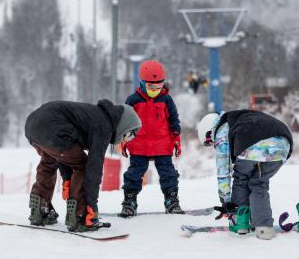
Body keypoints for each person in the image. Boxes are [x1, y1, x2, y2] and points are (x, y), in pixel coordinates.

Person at [25, 99, 141, 232]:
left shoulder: (96, 115)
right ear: (125, 125)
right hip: (53, 129)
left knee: (49, 162)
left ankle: (40, 209)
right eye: (130, 135)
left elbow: (63, 154)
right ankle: (80, 216)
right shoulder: (103, 125)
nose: (126, 140)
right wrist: (91, 205)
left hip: (33, 125)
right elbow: (93, 169)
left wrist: (67, 178)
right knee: (84, 166)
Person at [197, 109, 293, 239]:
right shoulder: (239, 118)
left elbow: (223, 171)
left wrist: (226, 201)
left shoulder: (221, 130)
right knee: (259, 183)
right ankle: (264, 228)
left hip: (251, 147)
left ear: (209, 131)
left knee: (241, 179)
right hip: (282, 146)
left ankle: (240, 221)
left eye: (210, 141)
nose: (213, 144)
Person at [119, 60, 184, 217]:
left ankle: (172, 201)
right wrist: (123, 139)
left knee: (168, 173)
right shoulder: (133, 100)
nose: (155, 90)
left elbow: (174, 119)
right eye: (151, 87)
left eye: (158, 86)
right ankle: (129, 202)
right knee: (134, 173)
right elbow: (124, 120)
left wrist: (176, 137)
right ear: (142, 83)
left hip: (162, 144)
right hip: (139, 145)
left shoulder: (166, 100)